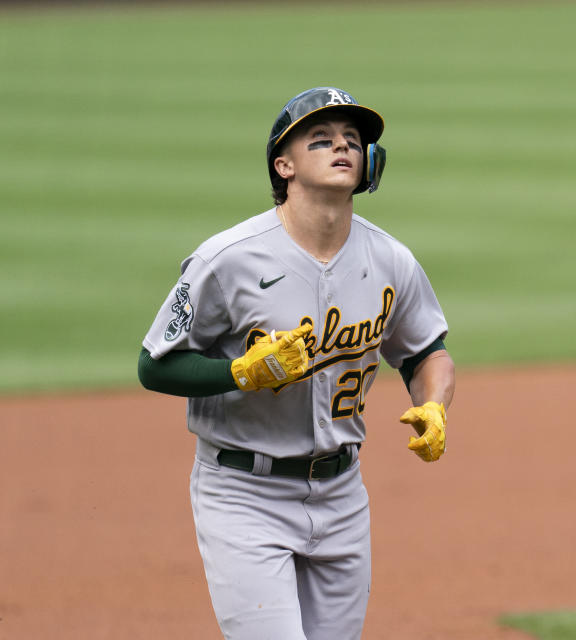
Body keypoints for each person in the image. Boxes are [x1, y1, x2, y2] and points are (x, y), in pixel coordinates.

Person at [137, 86, 455, 639]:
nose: (343, 148)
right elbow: (154, 364)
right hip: (243, 494)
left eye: (353, 141)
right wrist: (239, 373)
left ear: (370, 164)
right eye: (322, 139)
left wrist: (433, 405)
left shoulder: (391, 260)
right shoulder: (228, 259)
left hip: (342, 494)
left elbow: (426, 351)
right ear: (283, 165)